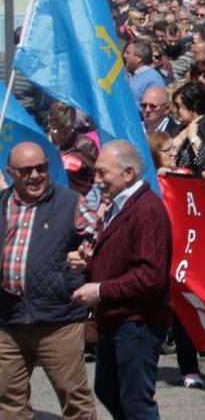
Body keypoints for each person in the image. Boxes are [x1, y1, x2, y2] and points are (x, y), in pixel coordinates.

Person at [69, 140, 172, 420]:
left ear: (128, 174)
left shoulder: (146, 210)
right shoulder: (118, 206)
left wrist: (100, 290)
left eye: (104, 173)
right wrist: (91, 262)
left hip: (137, 321)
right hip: (115, 318)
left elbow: (150, 276)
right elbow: (121, 257)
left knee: (136, 401)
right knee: (107, 389)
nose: (97, 180)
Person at [0, 142, 98, 420]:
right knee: (8, 401)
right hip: (9, 319)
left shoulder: (69, 202)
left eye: (41, 168)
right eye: (26, 171)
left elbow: (99, 238)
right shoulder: (2, 204)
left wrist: (86, 254)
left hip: (58, 320)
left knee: (75, 400)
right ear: (10, 173)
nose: (35, 176)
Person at [47, 102, 99, 196]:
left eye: (68, 129)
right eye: (60, 129)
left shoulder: (86, 145)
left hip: (78, 200)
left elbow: (97, 178)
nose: (63, 135)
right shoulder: (44, 144)